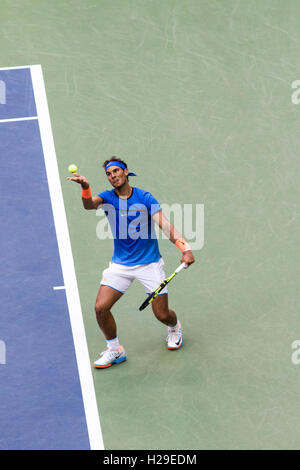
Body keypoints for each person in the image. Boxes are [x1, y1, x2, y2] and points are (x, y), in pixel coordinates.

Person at [67, 157, 195, 368]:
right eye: (109, 174)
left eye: (116, 171)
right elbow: (89, 205)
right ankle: (115, 350)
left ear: (126, 172)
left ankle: (174, 326)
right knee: (100, 307)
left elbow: (165, 225)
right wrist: (86, 187)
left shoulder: (145, 198)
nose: (113, 176)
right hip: (121, 265)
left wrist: (185, 249)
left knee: (162, 314)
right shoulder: (107, 198)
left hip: (149, 264)